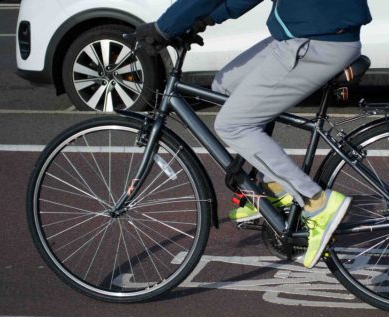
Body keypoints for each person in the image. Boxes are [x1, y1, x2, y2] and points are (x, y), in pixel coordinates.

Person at [134, 0, 372, 269]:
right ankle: (270, 187)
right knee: (224, 86)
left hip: (317, 40)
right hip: (308, 32)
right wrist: (207, 18)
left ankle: (316, 202)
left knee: (232, 125)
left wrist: (164, 27)